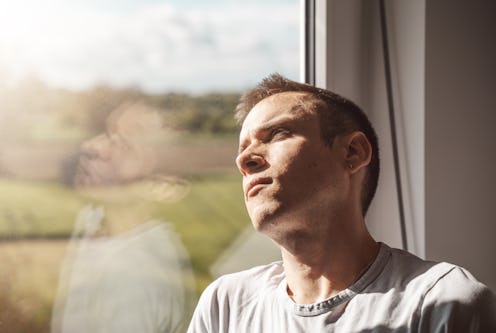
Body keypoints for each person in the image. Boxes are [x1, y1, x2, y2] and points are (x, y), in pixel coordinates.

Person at [187, 74, 496, 332]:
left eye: (278, 133)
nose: (244, 159)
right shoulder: (225, 306)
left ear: (353, 153)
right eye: (242, 148)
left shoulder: (439, 304)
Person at [51, 102, 195, 333]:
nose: (91, 146)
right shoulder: (96, 219)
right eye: (105, 136)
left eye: (120, 145)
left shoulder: (137, 275)